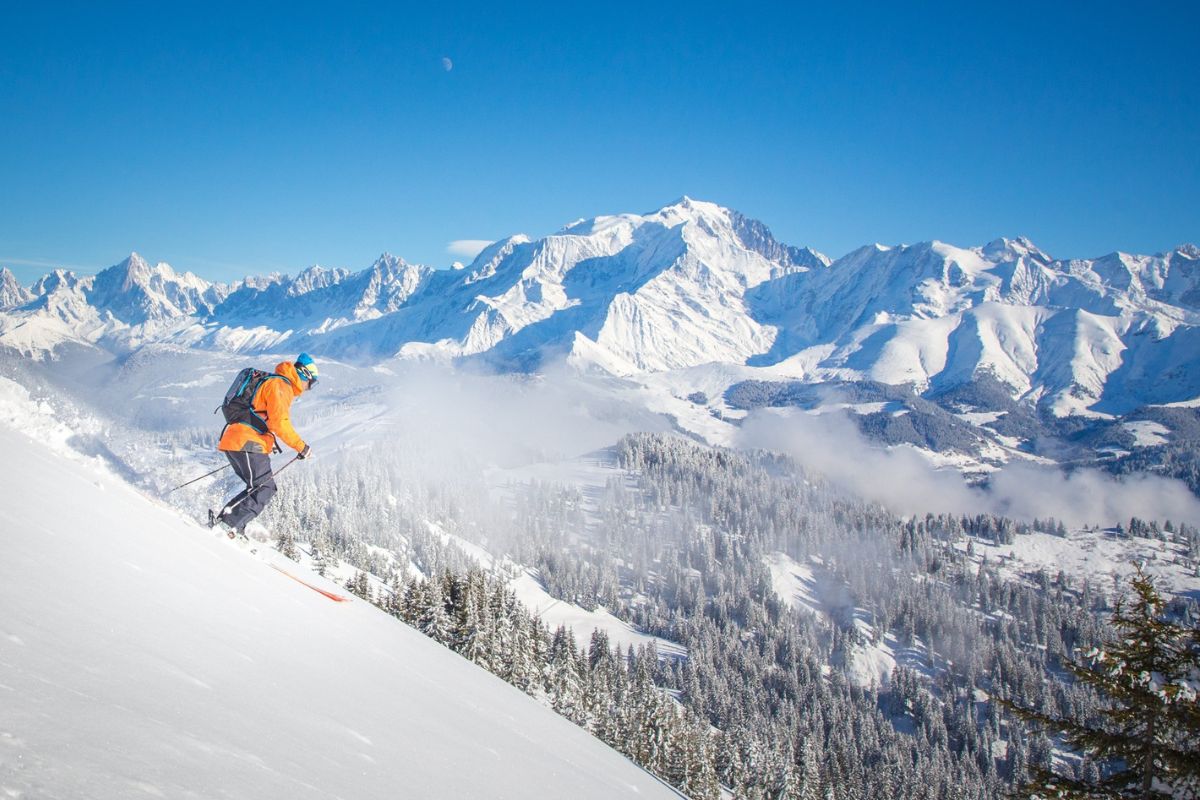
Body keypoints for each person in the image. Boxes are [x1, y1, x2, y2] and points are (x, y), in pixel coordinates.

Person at [212, 353, 318, 536]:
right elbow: (280, 423)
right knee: (264, 488)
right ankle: (227, 527)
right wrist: (302, 446)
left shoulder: (276, 383)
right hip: (247, 442)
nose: (309, 388)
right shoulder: (281, 386)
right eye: (312, 383)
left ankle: (229, 526)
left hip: (239, 440)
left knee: (258, 488)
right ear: (304, 375)